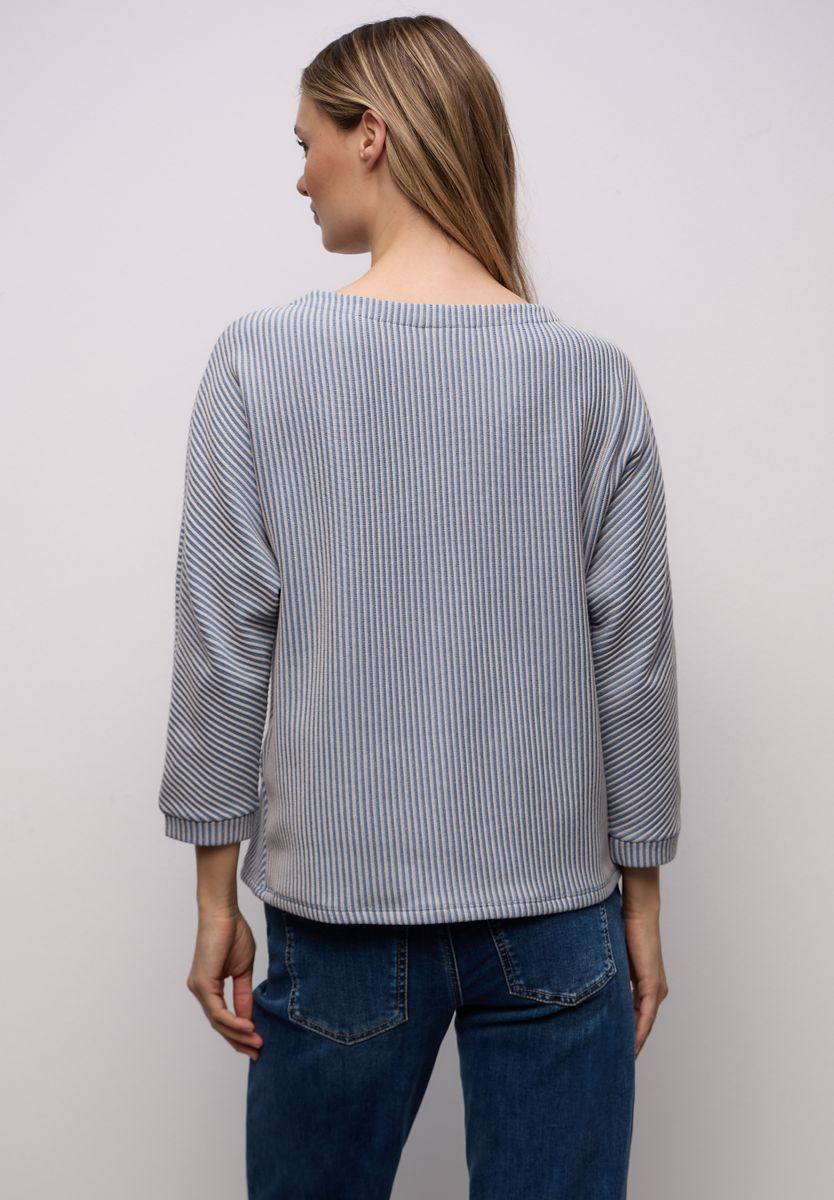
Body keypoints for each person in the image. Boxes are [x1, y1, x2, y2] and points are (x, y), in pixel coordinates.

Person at [158, 15, 681, 1200]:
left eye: (307, 142)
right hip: (560, 916)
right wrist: (643, 903)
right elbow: (635, 664)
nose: (300, 177)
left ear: (372, 136)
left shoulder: (260, 361)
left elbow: (222, 645)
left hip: (341, 914)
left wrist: (213, 894)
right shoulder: (590, 377)